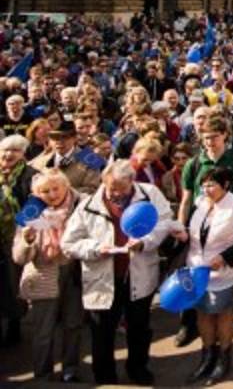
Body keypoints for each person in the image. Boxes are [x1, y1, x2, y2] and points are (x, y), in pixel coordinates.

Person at [61, 159, 172, 385]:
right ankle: (105, 375)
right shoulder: (88, 204)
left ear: (132, 182)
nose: (114, 194)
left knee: (139, 327)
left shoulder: (150, 194)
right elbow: (69, 243)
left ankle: (138, 368)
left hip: (137, 274)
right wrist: (95, 249)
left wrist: (144, 242)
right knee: (102, 331)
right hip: (102, 278)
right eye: (111, 187)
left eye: (120, 189)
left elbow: (164, 223)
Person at [175, 116, 233, 347]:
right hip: (197, 229)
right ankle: (187, 327)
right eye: (205, 137)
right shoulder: (194, 163)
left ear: (225, 136)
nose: (209, 142)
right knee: (191, 287)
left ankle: (223, 347)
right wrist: (182, 226)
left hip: (224, 233)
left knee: (221, 302)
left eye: (214, 137)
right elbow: (186, 199)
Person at [182, 166, 233, 384]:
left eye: (212, 185)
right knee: (203, 312)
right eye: (204, 185)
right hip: (197, 268)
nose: (206, 189)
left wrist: (225, 256)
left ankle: (224, 355)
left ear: (225, 185)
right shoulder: (200, 203)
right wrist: (182, 232)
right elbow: (194, 230)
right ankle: (207, 355)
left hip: (222, 271)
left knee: (221, 311)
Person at [12, 168, 83, 382]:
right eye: (45, 191)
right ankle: (43, 374)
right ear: (36, 194)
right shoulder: (30, 210)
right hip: (44, 274)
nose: (52, 195)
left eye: (55, 188)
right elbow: (19, 257)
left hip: (74, 273)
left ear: (66, 186)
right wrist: (27, 240)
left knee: (73, 325)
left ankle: (70, 369)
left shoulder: (81, 204)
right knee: (43, 330)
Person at [0, 134, 34, 345]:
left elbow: (36, 204)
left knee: (12, 284)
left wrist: (19, 226)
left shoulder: (30, 175)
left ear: (22, 155)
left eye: (14, 150)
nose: (8, 154)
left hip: (16, 238)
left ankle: (14, 325)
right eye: (5, 150)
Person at [29, 122, 100, 195]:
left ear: (75, 138)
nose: (59, 142)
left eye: (64, 137)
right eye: (54, 138)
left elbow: (92, 189)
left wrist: (62, 193)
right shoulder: (40, 162)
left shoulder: (90, 158)